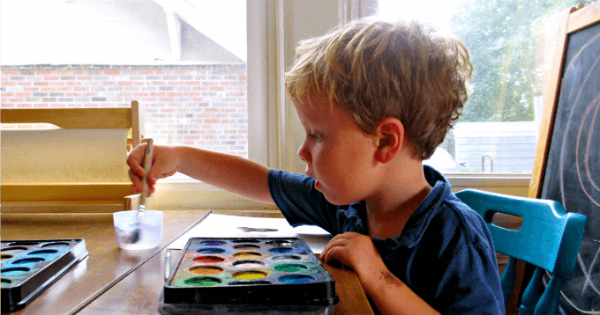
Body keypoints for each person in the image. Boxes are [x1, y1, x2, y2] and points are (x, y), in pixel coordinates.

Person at [128, 18, 504, 315]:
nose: (302, 151)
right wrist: (178, 158)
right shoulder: (353, 204)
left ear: (386, 141)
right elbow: (265, 184)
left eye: (318, 135)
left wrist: (377, 276)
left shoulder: (455, 235)